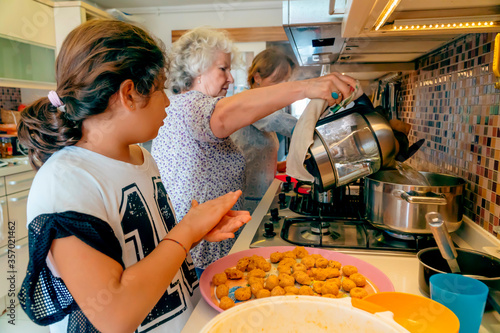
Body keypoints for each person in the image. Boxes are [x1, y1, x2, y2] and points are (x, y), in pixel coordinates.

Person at [16, 19, 251, 333]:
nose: (167, 101)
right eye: (158, 89)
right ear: (128, 94)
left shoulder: (142, 157)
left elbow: (149, 252)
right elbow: (115, 315)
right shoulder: (65, 181)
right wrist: (187, 230)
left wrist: (193, 231)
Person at [151, 26, 357, 271]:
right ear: (197, 68)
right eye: (222, 69)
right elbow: (224, 114)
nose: (230, 78)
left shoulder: (180, 106)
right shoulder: (191, 108)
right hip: (197, 247)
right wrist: (307, 87)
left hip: (202, 237)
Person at [230, 48, 298, 213]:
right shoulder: (252, 103)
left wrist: (277, 165)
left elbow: (254, 153)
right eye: (277, 81)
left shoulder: (266, 106)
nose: (283, 88)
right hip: (246, 201)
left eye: (286, 81)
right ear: (257, 78)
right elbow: (289, 125)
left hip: (261, 196)